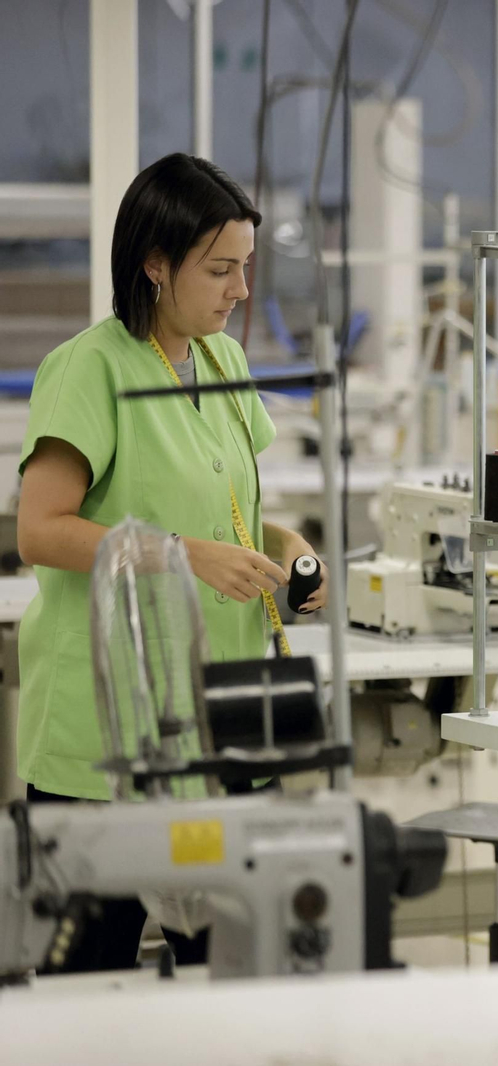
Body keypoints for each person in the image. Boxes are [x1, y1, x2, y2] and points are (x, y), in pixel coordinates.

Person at [14, 153, 328, 971]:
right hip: (107, 736)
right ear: (155, 263)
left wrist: (285, 548)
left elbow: (227, 510)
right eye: (220, 269)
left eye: (245, 268)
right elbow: (41, 531)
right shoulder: (90, 368)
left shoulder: (223, 361)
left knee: (232, 981)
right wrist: (184, 557)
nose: (240, 290)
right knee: (86, 992)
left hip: (220, 725)